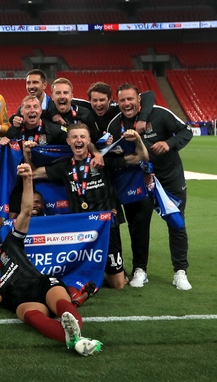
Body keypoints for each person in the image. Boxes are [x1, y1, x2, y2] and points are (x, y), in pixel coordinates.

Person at [0, 163, 103, 356]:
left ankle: (74, 325)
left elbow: (26, 210)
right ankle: (78, 341)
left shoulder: (12, 242)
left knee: (62, 306)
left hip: (41, 283)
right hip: (19, 299)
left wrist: (28, 179)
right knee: (33, 318)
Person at [24, 123, 150, 289]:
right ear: (68, 141)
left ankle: (108, 272)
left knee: (118, 284)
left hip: (106, 226)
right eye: (74, 137)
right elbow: (32, 174)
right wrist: (27, 154)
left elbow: (142, 158)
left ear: (89, 140)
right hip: (80, 230)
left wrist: (138, 140)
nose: (79, 140)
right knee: (77, 277)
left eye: (82, 137)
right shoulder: (64, 166)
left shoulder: (103, 161)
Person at [108, 83, 194, 290]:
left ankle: (180, 271)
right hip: (139, 181)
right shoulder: (115, 124)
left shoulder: (160, 114)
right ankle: (140, 269)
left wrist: (169, 143)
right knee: (138, 225)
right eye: (122, 100)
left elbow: (186, 131)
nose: (127, 103)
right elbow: (111, 156)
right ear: (117, 102)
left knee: (176, 222)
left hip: (169, 178)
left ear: (139, 99)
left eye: (130, 99)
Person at [87, 82, 155, 289]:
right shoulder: (85, 112)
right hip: (106, 181)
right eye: (95, 100)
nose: (99, 104)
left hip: (130, 178)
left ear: (111, 100)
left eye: (103, 100)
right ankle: (112, 267)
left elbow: (149, 95)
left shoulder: (118, 111)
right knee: (110, 226)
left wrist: (142, 118)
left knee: (138, 225)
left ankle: (140, 268)